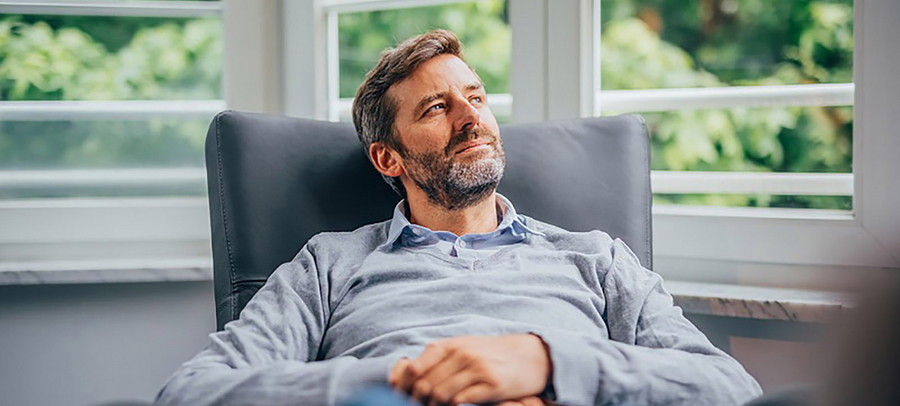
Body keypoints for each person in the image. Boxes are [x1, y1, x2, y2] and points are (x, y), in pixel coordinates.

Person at [154, 29, 762, 406]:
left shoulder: (595, 257)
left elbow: (730, 390)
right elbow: (191, 393)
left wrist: (546, 365)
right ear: (387, 157)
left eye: (476, 98)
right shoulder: (329, 264)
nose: (472, 119)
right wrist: (406, 388)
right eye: (438, 108)